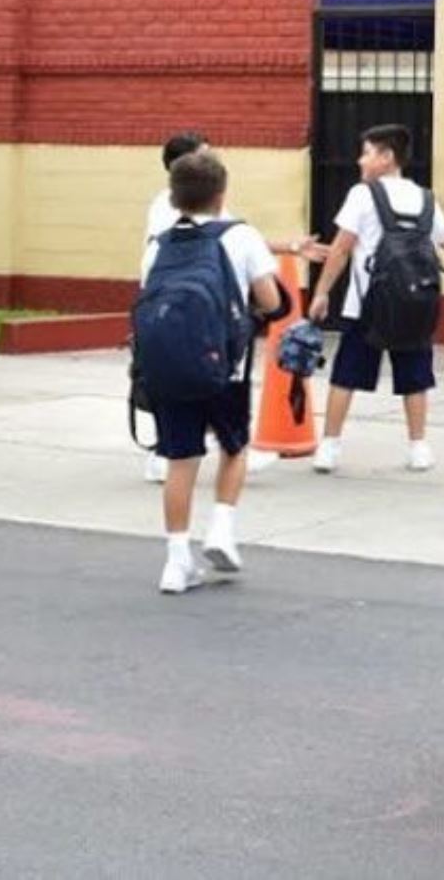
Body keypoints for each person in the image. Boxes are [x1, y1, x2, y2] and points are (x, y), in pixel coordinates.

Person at [139, 151, 283, 595]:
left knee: (180, 460)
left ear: (176, 198)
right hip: (226, 368)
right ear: (221, 195)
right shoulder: (240, 237)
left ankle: (176, 562)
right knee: (234, 447)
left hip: (169, 368)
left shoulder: (158, 244)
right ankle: (222, 528)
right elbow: (272, 301)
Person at [141, 131, 321, 484]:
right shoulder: (179, 207)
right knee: (219, 393)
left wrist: (289, 246)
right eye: (206, 155)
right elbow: (241, 248)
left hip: (165, 315)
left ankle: (169, 453)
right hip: (213, 322)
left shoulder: (176, 211)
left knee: (176, 387)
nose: (215, 159)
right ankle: (220, 454)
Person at [308, 124, 444, 474]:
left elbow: (342, 248)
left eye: (367, 152)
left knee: (346, 374)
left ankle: (329, 447)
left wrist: (321, 293)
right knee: (416, 375)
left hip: (367, 304)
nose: (361, 160)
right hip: (414, 303)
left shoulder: (363, 195)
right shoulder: (425, 198)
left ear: (387, 157)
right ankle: (418, 446)